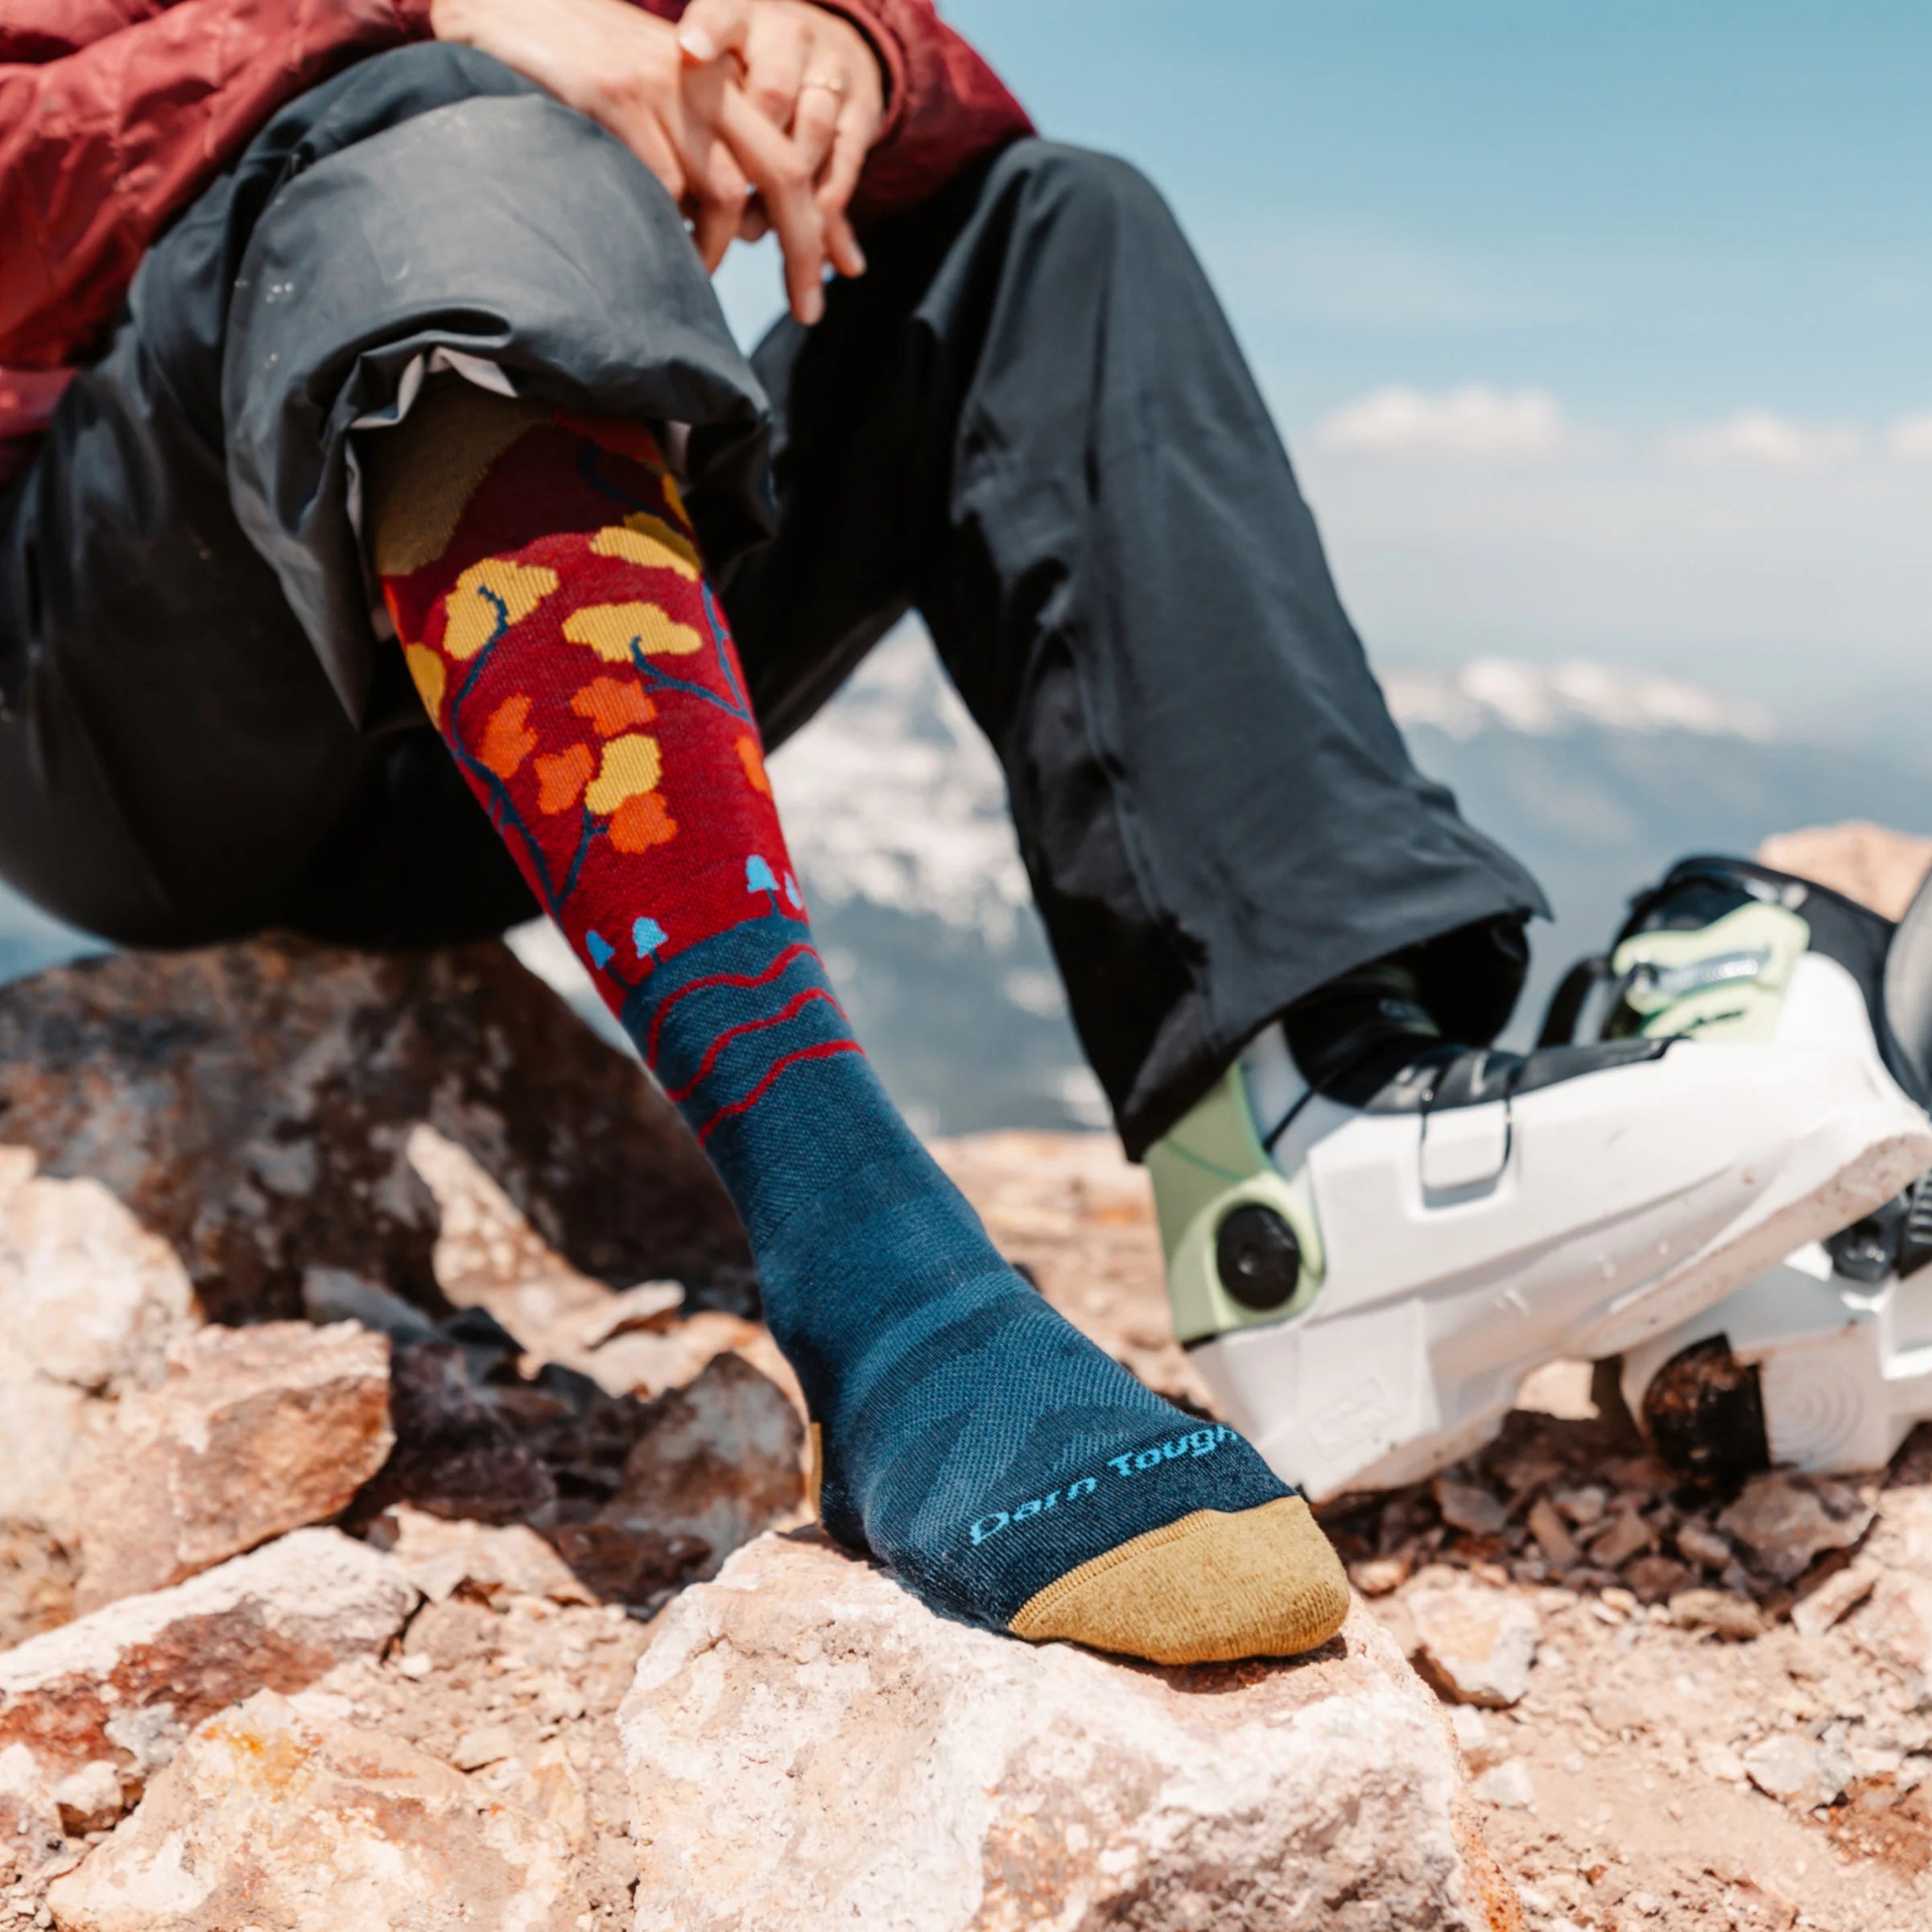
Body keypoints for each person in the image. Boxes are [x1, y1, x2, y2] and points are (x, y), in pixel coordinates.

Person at [2, 0, 1925, 1668]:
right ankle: (881, 1286)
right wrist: (417, 25)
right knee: (439, 139)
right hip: (134, 698)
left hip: (526, 680)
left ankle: (1314, 1132)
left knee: (1045, 226)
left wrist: (850, 50)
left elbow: (928, 115)